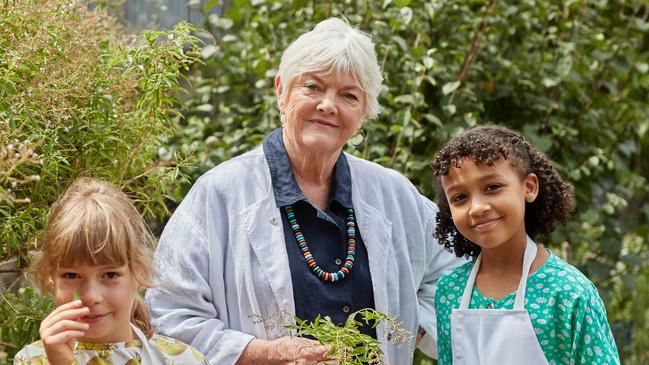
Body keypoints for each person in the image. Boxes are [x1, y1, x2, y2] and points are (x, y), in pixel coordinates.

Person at [145, 17, 461, 365]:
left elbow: (459, 274)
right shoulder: (219, 194)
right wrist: (264, 353)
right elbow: (170, 315)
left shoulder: (394, 195)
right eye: (312, 87)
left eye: (349, 95)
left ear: (365, 111)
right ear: (281, 90)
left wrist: (410, 324)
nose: (328, 104)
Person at [430, 125, 620, 365]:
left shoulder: (568, 292)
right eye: (460, 197)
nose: (477, 207)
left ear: (528, 187)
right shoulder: (450, 290)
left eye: (492, 187)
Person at [14, 179, 208, 365]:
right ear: (51, 278)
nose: (91, 296)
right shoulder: (33, 360)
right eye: (71, 275)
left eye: (110, 275)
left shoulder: (183, 360)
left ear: (139, 274)